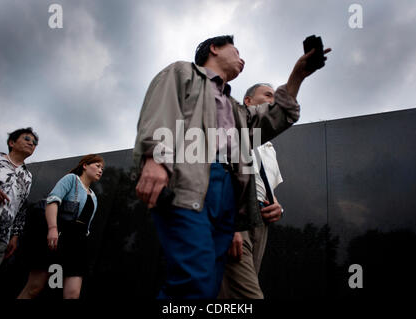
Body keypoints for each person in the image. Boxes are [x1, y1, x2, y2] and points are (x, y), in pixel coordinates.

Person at [132, 35, 331, 299]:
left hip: (230, 197)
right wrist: (156, 158)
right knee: (194, 279)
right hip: (190, 181)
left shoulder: (236, 110)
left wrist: (298, 76)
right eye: (236, 51)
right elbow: (161, 110)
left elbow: (276, 117)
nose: (243, 59)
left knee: (211, 285)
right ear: (214, 48)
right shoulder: (183, 72)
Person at [218, 83, 284, 299]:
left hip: (262, 224)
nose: (272, 100)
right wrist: (231, 224)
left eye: (275, 97)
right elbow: (222, 174)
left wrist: (277, 207)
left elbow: (269, 189)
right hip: (237, 212)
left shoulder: (269, 149)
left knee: (233, 289)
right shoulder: (231, 132)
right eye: (267, 95)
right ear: (248, 102)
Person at [17, 154, 104, 299]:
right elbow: (53, 201)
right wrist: (52, 229)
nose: (100, 170)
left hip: (78, 244)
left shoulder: (94, 197)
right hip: (59, 237)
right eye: (97, 165)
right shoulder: (71, 179)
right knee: (35, 287)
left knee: (73, 294)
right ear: (85, 165)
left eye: (102, 168)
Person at [0, 127, 38, 298]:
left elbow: (21, 208)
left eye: (34, 142)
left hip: (0, 237)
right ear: (12, 143)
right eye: (27, 138)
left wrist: (14, 235)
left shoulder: (28, 176)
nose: (31, 143)